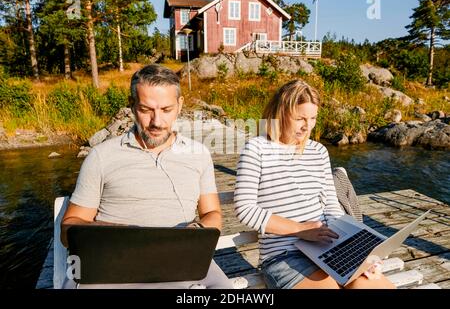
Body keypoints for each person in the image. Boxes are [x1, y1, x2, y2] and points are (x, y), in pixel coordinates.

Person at [61, 64, 232, 289]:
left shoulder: (199, 154)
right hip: (112, 264)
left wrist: (196, 231)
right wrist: (117, 233)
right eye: (146, 110)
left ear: (180, 106)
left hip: (183, 260)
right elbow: (69, 229)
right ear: (132, 106)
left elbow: (212, 213)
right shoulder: (101, 156)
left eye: (166, 109)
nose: (157, 122)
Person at [234, 79, 395, 289]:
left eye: (313, 118)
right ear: (280, 112)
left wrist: (359, 252)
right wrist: (300, 230)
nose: (307, 126)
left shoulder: (318, 151)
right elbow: (244, 209)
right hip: (285, 256)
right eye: (300, 118)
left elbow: (330, 206)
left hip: (328, 248)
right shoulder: (256, 149)